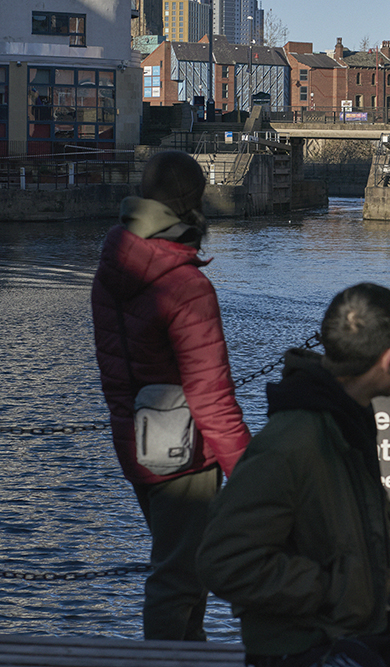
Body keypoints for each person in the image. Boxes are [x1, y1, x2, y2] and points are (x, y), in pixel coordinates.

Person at [197, 284, 390, 667]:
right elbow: (222, 560)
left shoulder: (346, 419)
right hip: (302, 648)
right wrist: (332, 588)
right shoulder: (293, 441)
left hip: (360, 629)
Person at [91, 150, 251, 640]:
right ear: (193, 203)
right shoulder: (185, 285)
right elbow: (212, 397)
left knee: (182, 569)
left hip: (135, 439)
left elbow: (117, 368)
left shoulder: (113, 264)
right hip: (185, 454)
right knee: (179, 580)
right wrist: (250, 473)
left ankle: (186, 654)